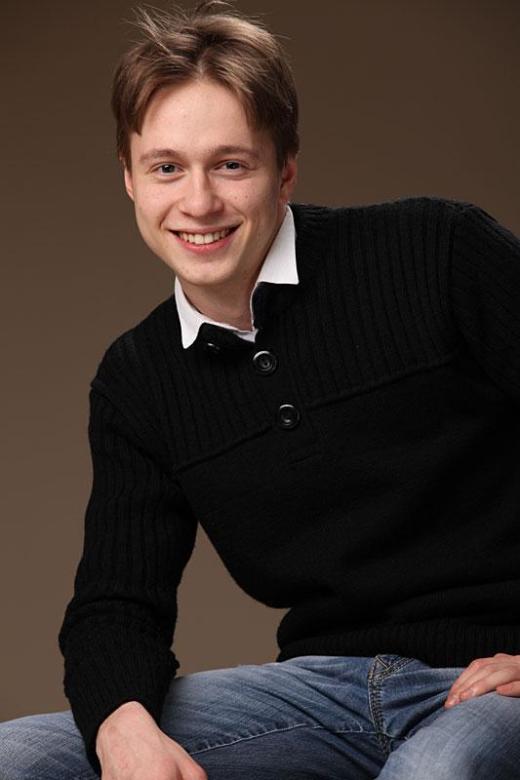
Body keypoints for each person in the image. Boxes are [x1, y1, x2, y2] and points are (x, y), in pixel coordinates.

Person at [1, 1, 520, 778]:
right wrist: (120, 725)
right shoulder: (137, 380)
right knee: (17, 758)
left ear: (286, 169)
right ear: (129, 179)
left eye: (231, 165)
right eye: (167, 167)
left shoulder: (435, 252)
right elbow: (117, 604)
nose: (198, 203)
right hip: (322, 693)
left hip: (493, 676)